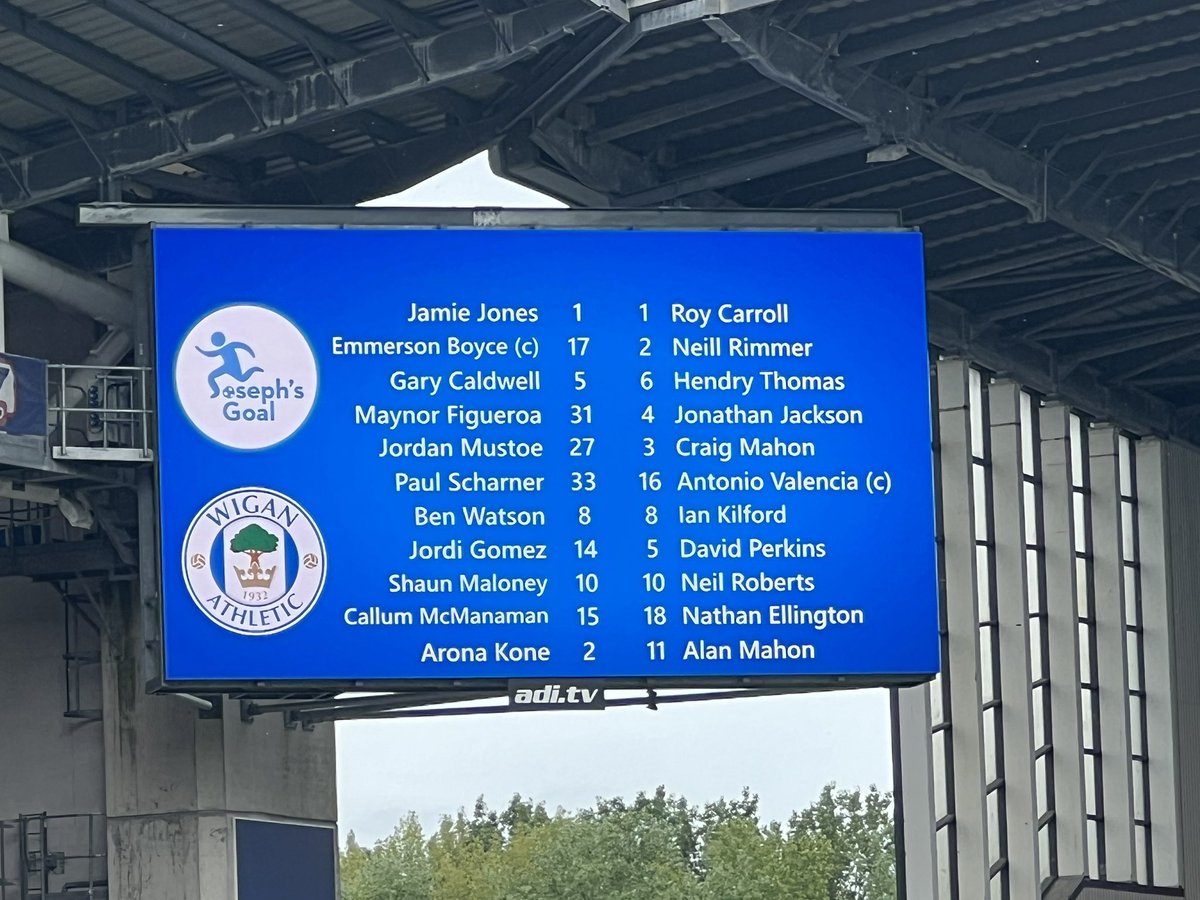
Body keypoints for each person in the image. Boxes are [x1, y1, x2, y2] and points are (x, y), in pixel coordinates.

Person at [196, 331, 264, 398]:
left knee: (242, 378)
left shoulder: (231, 345)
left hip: (234, 367)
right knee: (211, 376)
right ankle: (216, 392)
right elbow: (210, 354)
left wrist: (251, 352)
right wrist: (200, 351)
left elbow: (243, 346)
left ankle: (254, 369)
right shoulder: (221, 350)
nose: (217, 341)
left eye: (218, 339)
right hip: (226, 367)